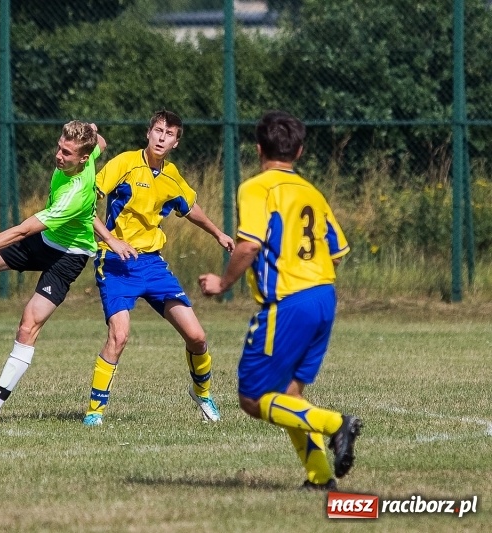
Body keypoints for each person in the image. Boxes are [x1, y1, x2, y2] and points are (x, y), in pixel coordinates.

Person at [198, 110, 362, 490]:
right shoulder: (311, 192)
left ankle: (336, 424)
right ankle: (320, 477)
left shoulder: (257, 188)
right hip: (325, 296)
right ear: (300, 151)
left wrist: (223, 283)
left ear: (258, 148)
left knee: (253, 398)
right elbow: (336, 249)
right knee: (290, 395)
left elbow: (250, 244)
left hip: (291, 303)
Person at [0, 120, 118, 426]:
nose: (59, 156)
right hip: (46, 243)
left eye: (68, 153)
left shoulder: (74, 193)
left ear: (82, 160)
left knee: (27, 326)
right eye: (60, 148)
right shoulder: (87, 157)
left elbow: (22, 231)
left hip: (69, 257)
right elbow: (100, 143)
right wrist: (91, 129)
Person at [82, 109, 235, 427]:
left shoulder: (171, 175)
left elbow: (190, 207)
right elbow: (84, 202)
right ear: (148, 133)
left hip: (152, 265)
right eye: (158, 131)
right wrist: (111, 241)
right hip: (115, 264)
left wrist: (218, 233)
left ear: (176, 142)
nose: (162, 138)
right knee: (119, 336)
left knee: (197, 337)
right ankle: (94, 414)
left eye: (170, 134)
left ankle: (202, 394)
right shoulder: (124, 163)